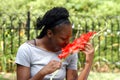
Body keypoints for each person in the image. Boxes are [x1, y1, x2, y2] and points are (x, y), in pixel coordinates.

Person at [15, 7, 94, 80]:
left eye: (69, 38)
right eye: (63, 38)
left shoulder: (70, 53)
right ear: (49, 33)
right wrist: (43, 72)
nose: (68, 43)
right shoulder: (27, 50)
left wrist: (88, 63)